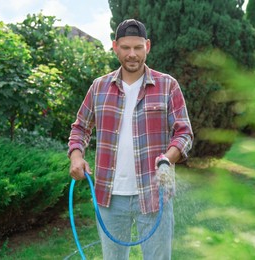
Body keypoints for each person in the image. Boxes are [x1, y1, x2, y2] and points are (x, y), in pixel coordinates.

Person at [68, 18, 193, 260]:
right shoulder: (99, 87)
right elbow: (80, 128)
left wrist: (167, 159)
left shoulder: (167, 85)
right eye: (126, 48)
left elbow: (184, 133)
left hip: (155, 195)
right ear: (115, 47)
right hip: (109, 197)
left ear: (147, 45)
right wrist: (76, 156)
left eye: (138, 47)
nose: (132, 54)